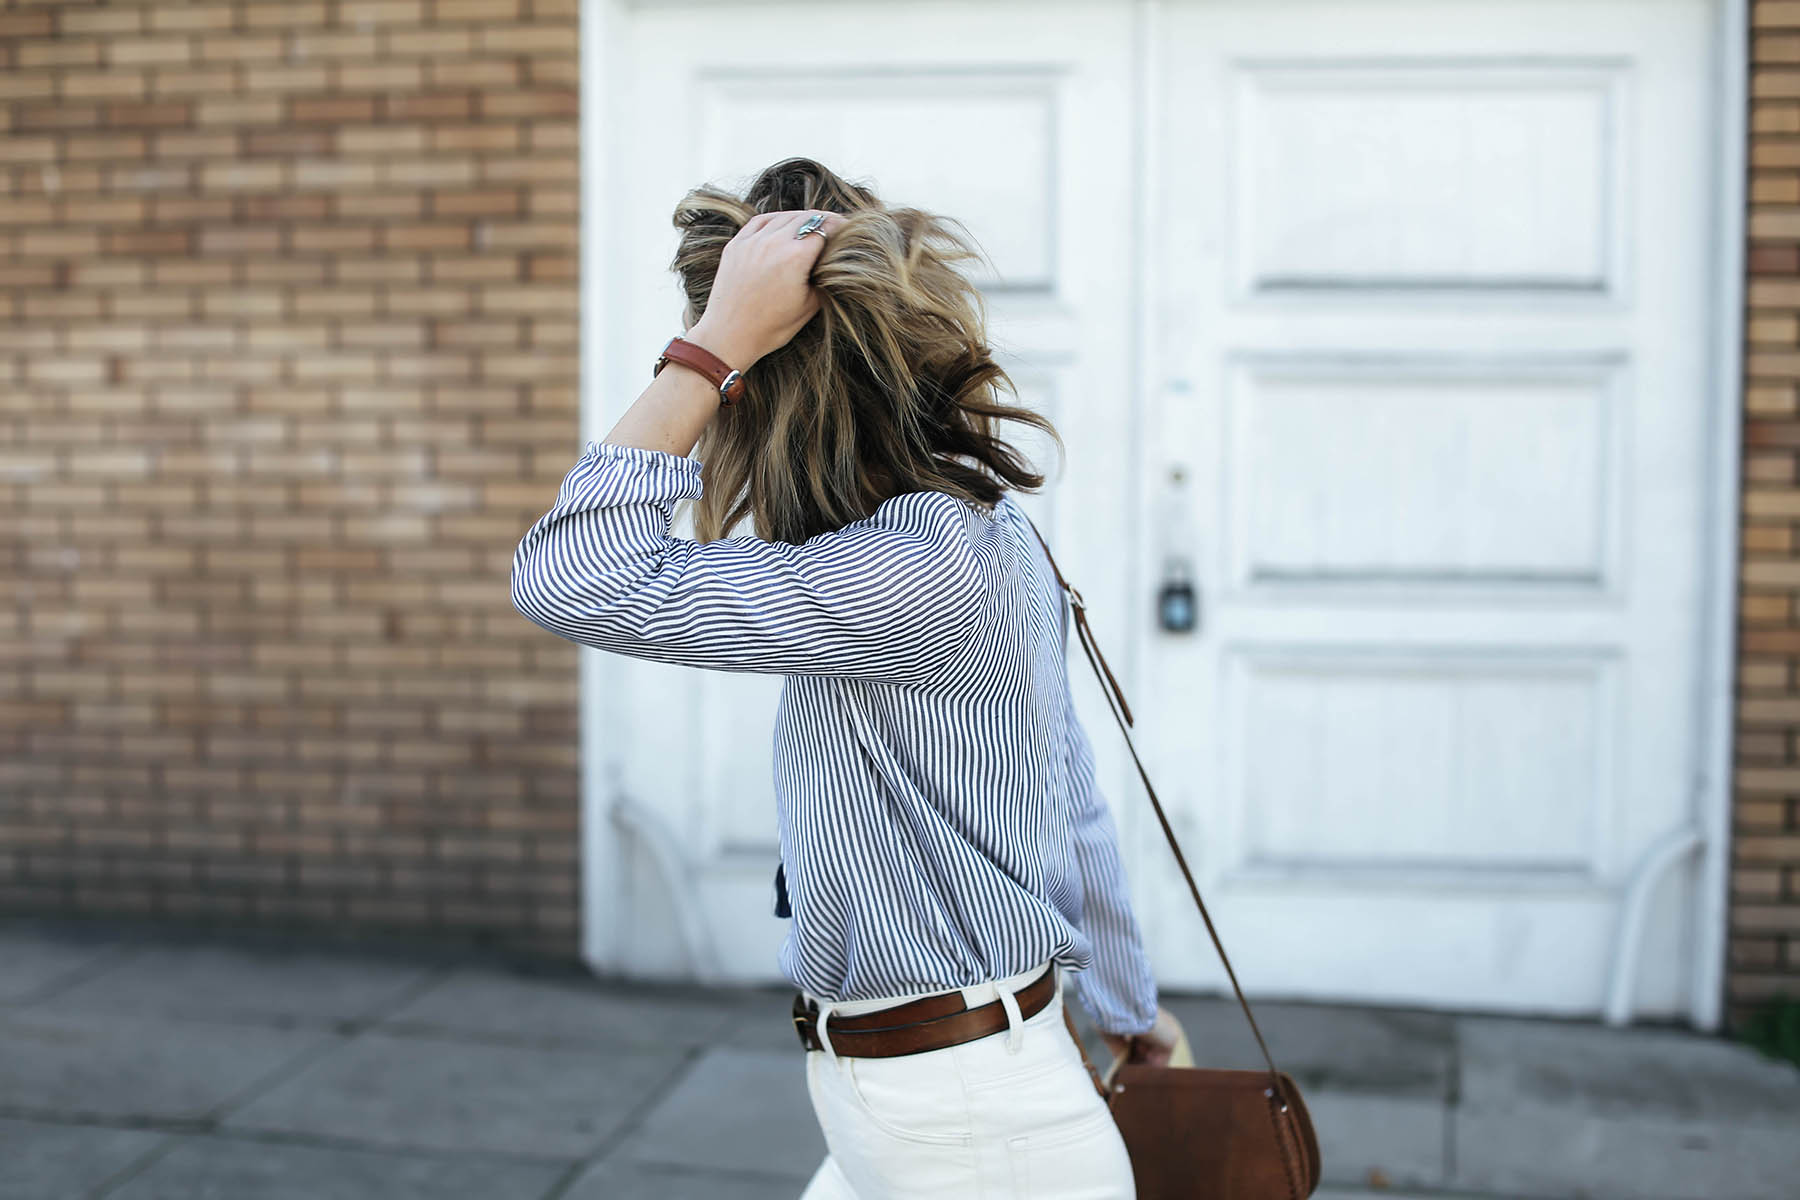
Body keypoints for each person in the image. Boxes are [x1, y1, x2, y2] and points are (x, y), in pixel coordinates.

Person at [511, 157, 1182, 1199]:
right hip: (936, 1100)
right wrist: (1132, 1015)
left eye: (735, 392)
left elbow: (574, 576)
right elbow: (1071, 798)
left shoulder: (914, 569)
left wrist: (707, 350)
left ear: (765, 396)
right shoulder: (961, 536)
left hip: (969, 1124)